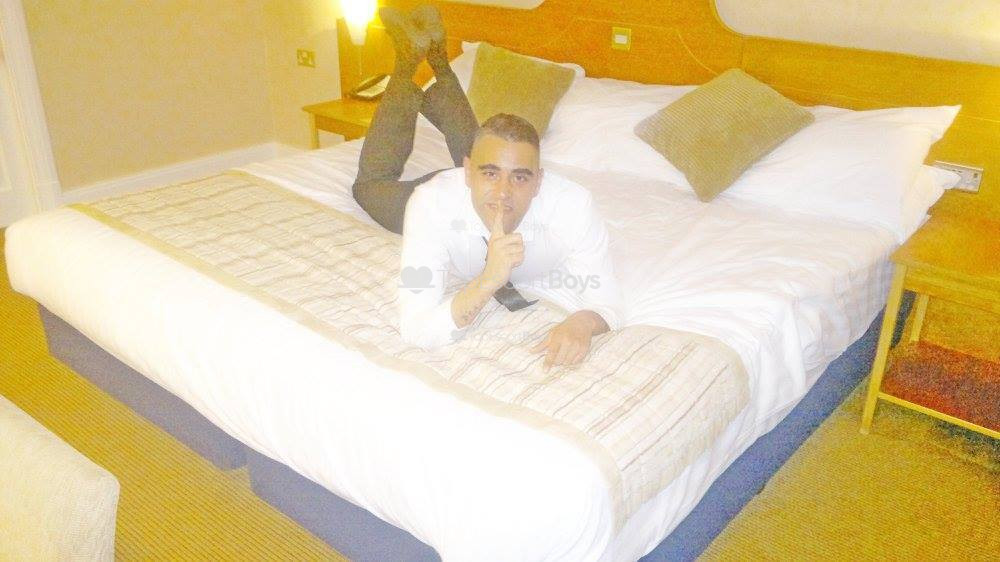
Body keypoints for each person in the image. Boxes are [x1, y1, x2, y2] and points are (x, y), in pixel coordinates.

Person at [354, 6, 624, 369]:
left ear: (539, 181)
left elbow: (608, 301)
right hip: (452, 191)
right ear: (468, 172)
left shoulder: (572, 207)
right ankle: (408, 63)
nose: (504, 192)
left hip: (469, 181)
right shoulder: (432, 205)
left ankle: (439, 63)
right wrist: (487, 281)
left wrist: (582, 323)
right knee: (368, 188)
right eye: (490, 173)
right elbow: (417, 327)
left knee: (492, 153)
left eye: (521, 177)